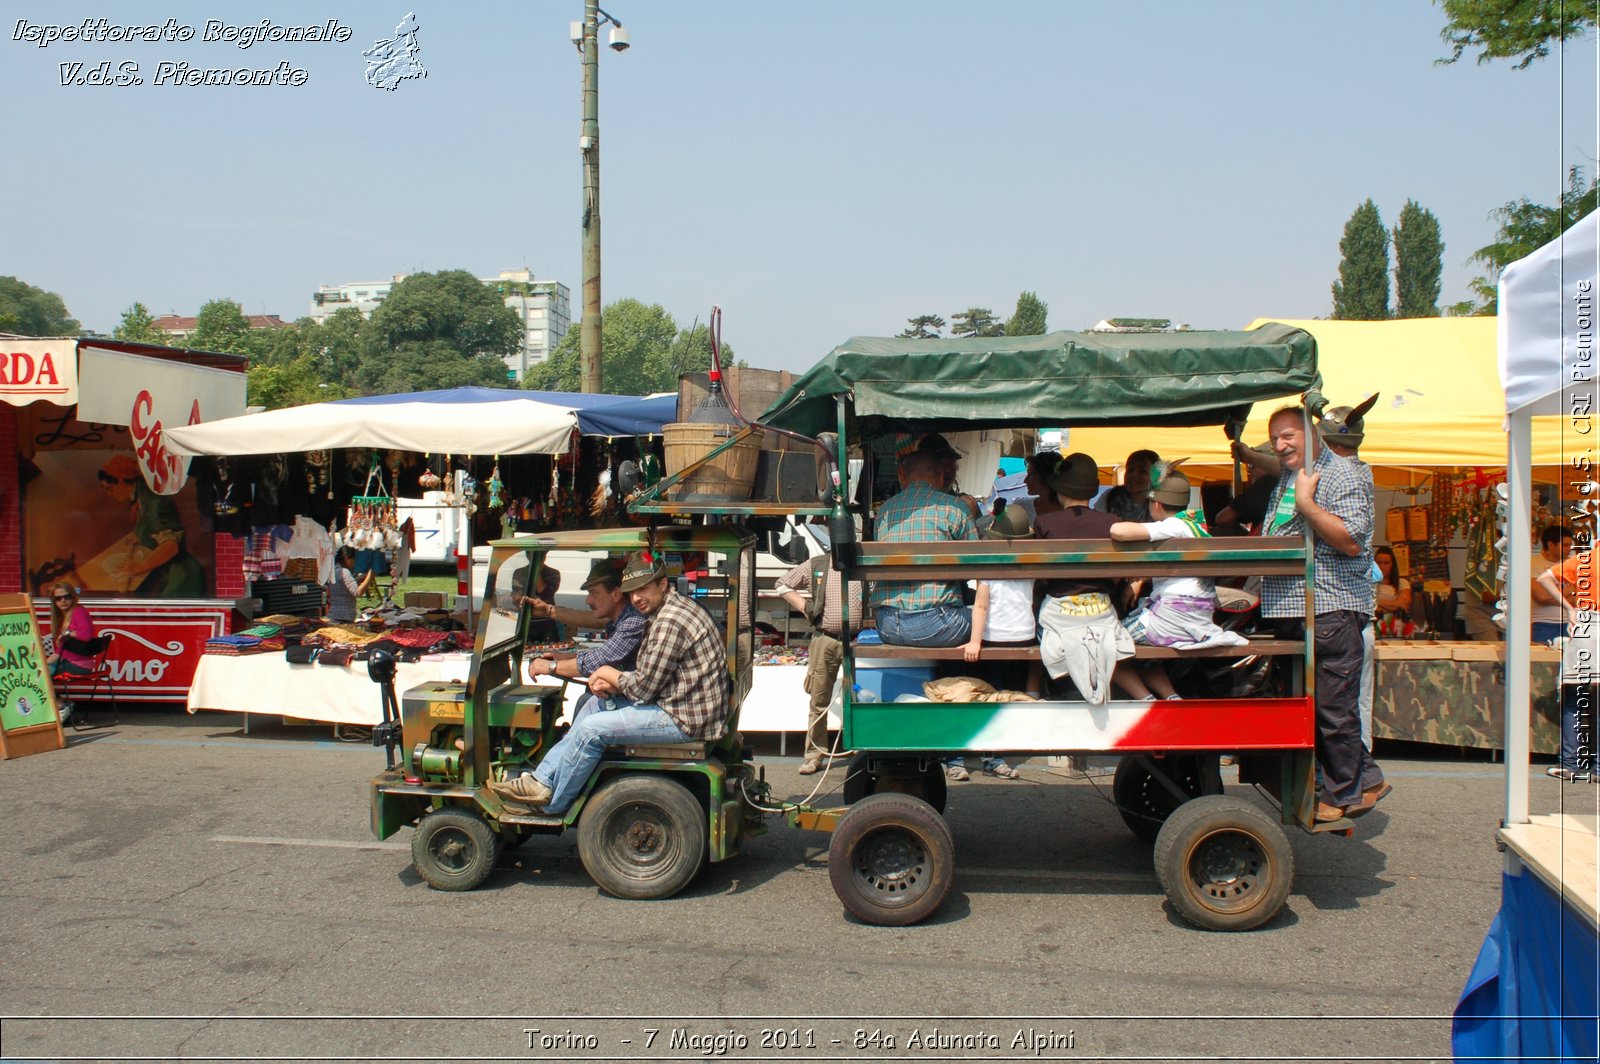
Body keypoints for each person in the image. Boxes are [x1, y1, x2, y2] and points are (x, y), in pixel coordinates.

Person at [488, 551, 732, 815]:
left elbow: (642, 689)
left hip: (685, 718)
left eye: (643, 589)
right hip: (678, 702)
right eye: (632, 592)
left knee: (591, 730)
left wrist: (607, 673)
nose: (637, 598)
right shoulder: (664, 611)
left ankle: (551, 806)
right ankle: (542, 780)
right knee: (593, 705)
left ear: (662, 584)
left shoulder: (670, 621)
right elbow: (647, 678)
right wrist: (611, 680)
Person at [1258, 405, 1387, 822]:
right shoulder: (1290, 473)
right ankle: (1366, 779)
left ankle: (1343, 794)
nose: (1281, 445)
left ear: (1312, 433)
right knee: (1320, 706)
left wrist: (1307, 503)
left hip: (1329, 606)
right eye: (1276, 438)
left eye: (1289, 435)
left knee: (1332, 707)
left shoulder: (1341, 472)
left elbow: (1351, 539)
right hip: (1298, 607)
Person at [1109, 470, 1248, 698]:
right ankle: (1171, 698)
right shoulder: (1195, 526)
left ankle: (1146, 700)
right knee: (1142, 656)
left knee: (1104, 645)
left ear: (1157, 504)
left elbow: (1119, 531)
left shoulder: (1173, 526)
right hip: (1197, 619)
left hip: (1169, 620)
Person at [1034, 453, 1139, 704]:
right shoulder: (1110, 522)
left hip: (1060, 612)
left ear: (1059, 489)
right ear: (1092, 491)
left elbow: (1038, 577)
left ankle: (1036, 690)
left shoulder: (1045, 522)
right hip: (1101, 611)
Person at [957, 502, 1037, 779]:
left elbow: (980, 607)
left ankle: (990, 754)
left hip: (994, 639)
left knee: (990, 695)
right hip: (1024, 637)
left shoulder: (988, 568)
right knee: (1011, 693)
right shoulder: (1030, 566)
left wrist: (974, 641)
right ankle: (1003, 747)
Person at [871, 450, 978, 647]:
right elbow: (976, 564)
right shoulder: (954, 507)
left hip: (887, 626)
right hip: (939, 625)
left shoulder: (885, 510)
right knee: (988, 622)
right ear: (940, 475)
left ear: (902, 476)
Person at [523, 557, 648, 726]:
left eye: (594, 593)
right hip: (637, 697)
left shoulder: (632, 621)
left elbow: (599, 660)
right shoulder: (619, 619)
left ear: (617, 594)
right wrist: (566, 656)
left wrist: (549, 667)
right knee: (588, 696)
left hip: (643, 703)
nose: (588, 600)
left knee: (588, 701)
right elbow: (605, 650)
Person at [775, 551, 864, 775]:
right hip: (825, 638)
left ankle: (860, 751)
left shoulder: (861, 561)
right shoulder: (818, 563)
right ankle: (814, 755)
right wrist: (805, 606)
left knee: (859, 698)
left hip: (858, 640)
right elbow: (782, 584)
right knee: (819, 699)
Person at [97, 455, 205, 597]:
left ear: (123, 481)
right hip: (164, 572)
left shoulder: (154, 502)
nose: (109, 494)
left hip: (180, 578)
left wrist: (138, 568)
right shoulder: (139, 494)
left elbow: (170, 546)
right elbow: (149, 525)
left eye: (110, 488)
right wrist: (139, 536)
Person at [1536, 545, 1596, 781]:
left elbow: (1544, 578)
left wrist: (1569, 609)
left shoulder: (1586, 559)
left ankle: (1571, 763)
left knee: (1574, 697)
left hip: (1583, 625)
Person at [46, 582, 96, 726]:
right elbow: (59, 652)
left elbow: (86, 636)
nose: (63, 601)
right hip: (68, 662)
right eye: (58, 598)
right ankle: (61, 704)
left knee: (40, 674)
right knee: (39, 670)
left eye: (66, 597)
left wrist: (67, 633)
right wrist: (44, 662)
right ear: (54, 601)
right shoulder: (62, 618)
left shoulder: (78, 611)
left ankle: (61, 705)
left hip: (79, 665)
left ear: (73, 597)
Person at [1530, 524, 1573, 644]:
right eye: (1565, 545)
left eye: (1570, 545)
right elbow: (1541, 597)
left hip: (1568, 623)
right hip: (1542, 624)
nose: (1569, 549)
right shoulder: (1533, 564)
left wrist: (1552, 594)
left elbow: (1578, 597)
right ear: (1550, 545)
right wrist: (1569, 591)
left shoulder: (1571, 564)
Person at [1094, 449, 1158, 522]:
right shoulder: (1110, 496)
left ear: (1156, 476)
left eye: (1142, 471)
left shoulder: (1163, 501)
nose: (1134, 475)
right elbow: (1096, 524)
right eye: (1130, 470)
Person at [325, 546, 372, 623]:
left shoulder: (333, 570)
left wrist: (363, 578)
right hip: (343, 618)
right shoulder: (344, 572)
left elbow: (344, 585)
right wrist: (370, 576)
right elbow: (358, 592)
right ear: (346, 558)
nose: (354, 563)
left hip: (333, 615)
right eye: (354, 560)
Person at [1374, 546, 1412, 624]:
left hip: (1396, 627)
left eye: (1386, 563)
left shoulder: (1402, 583)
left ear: (1392, 565)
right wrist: (1393, 604)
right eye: (1379, 562)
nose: (1382, 567)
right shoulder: (1366, 583)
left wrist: (1377, 602)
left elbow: (1403, 606)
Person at [1024, 451, 1064, 520]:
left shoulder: (1072, 513)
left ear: (1047, 478)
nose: (1025, 481)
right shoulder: (1021, 508)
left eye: (1032, 475)